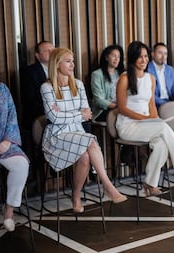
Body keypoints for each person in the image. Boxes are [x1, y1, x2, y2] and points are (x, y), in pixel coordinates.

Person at [41, 48, 127, 213]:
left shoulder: (78, 84)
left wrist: (71, 114)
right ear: (56, 64)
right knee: (91, 140)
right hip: (57, 137)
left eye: (73, 60)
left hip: (78, 133)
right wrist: (78, 114)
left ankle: (76, 195)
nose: (72, 64)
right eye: (68, 61)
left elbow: (88, 114)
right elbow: (54, 119)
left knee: (86, 156)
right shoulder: (47, 87)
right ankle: (108, 186)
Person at [116, 41, 174, 196]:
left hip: (146, 124)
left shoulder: (150, 79)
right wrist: (145, 118)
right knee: (163, 128)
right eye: (139, 57)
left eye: (145, 56)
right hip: (128, 126)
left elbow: (151, 106)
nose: (143, 60)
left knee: (162, 144)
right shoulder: (124, 78)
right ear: (132, 58)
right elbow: (122, 108)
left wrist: (154, 119)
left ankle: (150, 183)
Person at [0, 53, 29, 232]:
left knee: (21, 164)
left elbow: (12, 116)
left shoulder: (1, 89)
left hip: (2, 142)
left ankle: (9, 211)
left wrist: (7, 141)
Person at [21, 41, 54, 130]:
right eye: (46, 51)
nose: (51, 53)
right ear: (38, 56)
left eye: (53, 50)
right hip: (39, 116)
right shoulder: (29, 72)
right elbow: (29, 100)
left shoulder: (61, 69)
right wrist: (51, 111)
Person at [91, 44, 125, 122]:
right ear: (106, 57)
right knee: (125, 116)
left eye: (118, 56)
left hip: (120, 107)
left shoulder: (121, 74)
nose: (116, 59)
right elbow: (99, 100)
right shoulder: (97, 74)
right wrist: (117, 106)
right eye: (114, 56)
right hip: (103, 110)